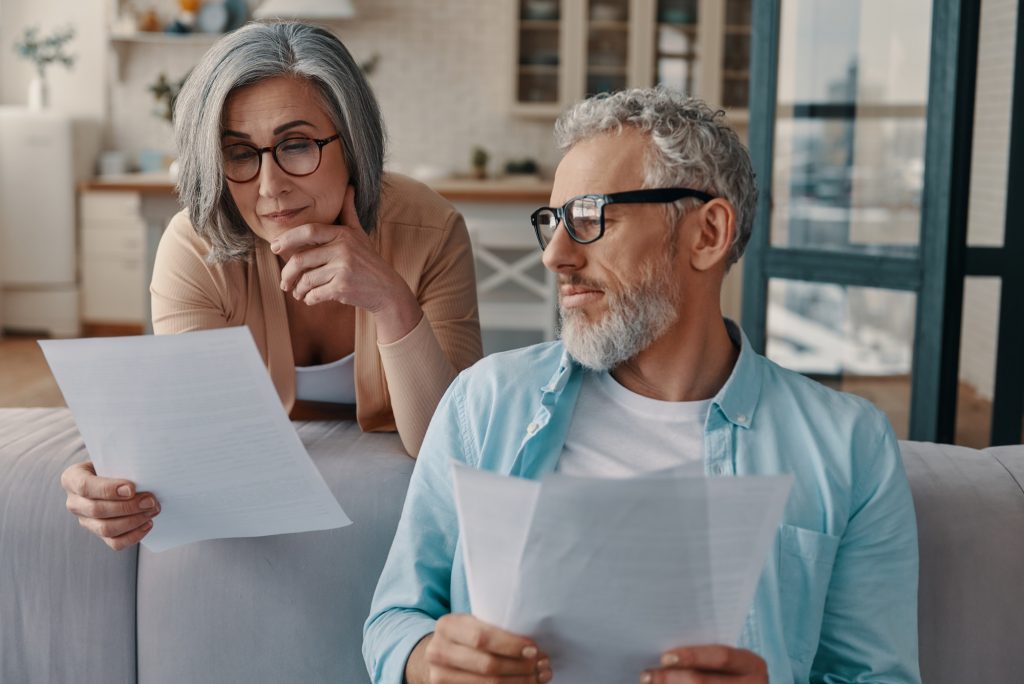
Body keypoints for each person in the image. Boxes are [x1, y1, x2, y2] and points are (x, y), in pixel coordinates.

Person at [364, 88, 920, 683]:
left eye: (588, 218)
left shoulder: (849, 445)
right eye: (552, 222)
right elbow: (394, 620)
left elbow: (879, 676)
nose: (554, 255)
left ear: (707, 234)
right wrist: (429, 664)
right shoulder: (484, 404)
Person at [60, 22, 482, 550]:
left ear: (353, 143)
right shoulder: (196, 246)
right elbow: (194, 432)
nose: (269, 186)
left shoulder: (431, 229)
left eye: (297, 144)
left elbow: (449, 449)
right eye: (239, 153)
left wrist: (389, 298)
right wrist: (110, 473)